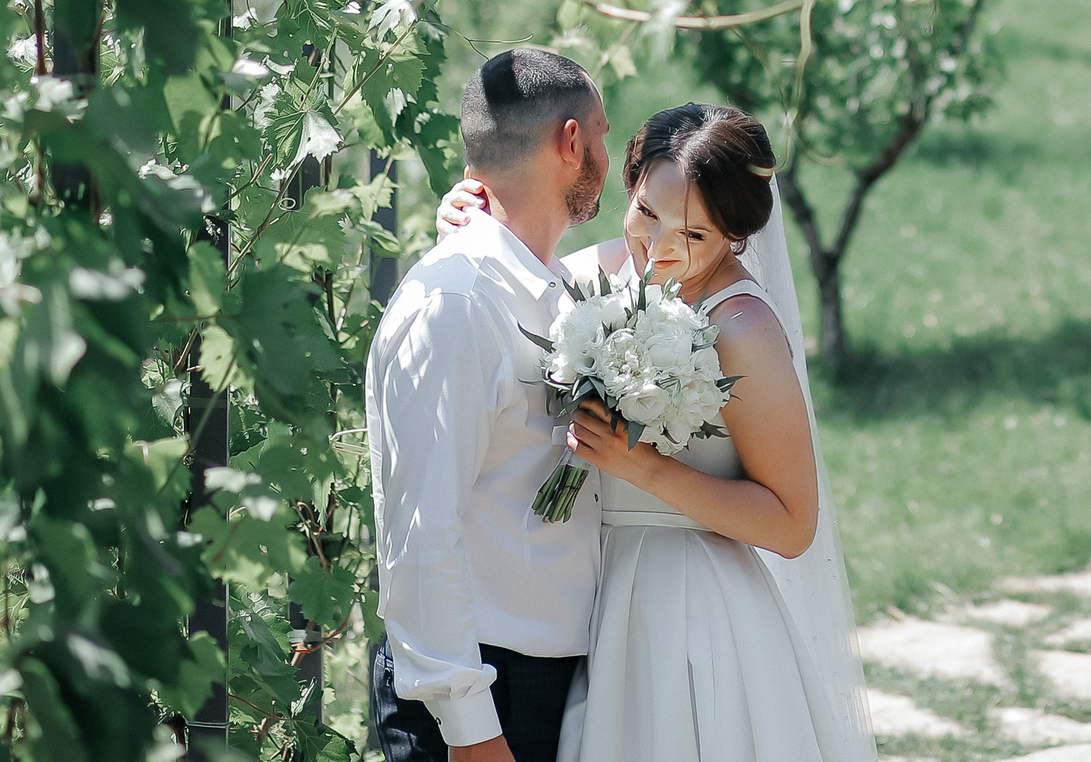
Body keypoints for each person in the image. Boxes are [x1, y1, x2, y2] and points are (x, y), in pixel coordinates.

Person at [434, 102, 876, 762]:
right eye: (647, 212)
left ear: (735, 236)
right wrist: (467, 232)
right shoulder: (598, 271)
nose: (660, 247)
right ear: (631, 182)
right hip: (595, 599)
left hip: (691, 616)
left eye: (695, 236)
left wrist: (640, 465)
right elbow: (500, 302)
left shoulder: (743, 328)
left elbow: (792, 522)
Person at [367, 48, 611, 762]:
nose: (603, 150)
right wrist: (475, 733)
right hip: (479, 697)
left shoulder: (548, 286)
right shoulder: (456, 304)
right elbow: (422, 530)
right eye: (600, 132)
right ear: (571, 141)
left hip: (541, 684)